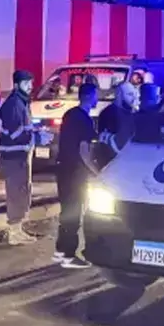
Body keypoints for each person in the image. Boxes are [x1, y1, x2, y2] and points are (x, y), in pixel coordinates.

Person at [0, 70, 51, 245]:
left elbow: (25, 128)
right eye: (26, 83)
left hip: (21, 155)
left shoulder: (22, 102)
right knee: (16, 193)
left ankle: (18, 230)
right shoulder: (14, 104)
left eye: (31, 83)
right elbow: (15, 133)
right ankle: (14, 233)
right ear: (16, 85)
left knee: (22, 192)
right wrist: (37, 137)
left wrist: (36, 133)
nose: (30, 86)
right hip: (13, 157)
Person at [54, 83, 100, 269]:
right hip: (76, 173)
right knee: (74, 213)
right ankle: (68, 255)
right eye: (96, 95)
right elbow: (84, 150)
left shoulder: (69, 114)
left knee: (66, 210)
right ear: (89, 96)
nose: (97, 99)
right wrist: (96, 171)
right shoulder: (84, 120)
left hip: (63, 169)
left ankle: (60, 250)